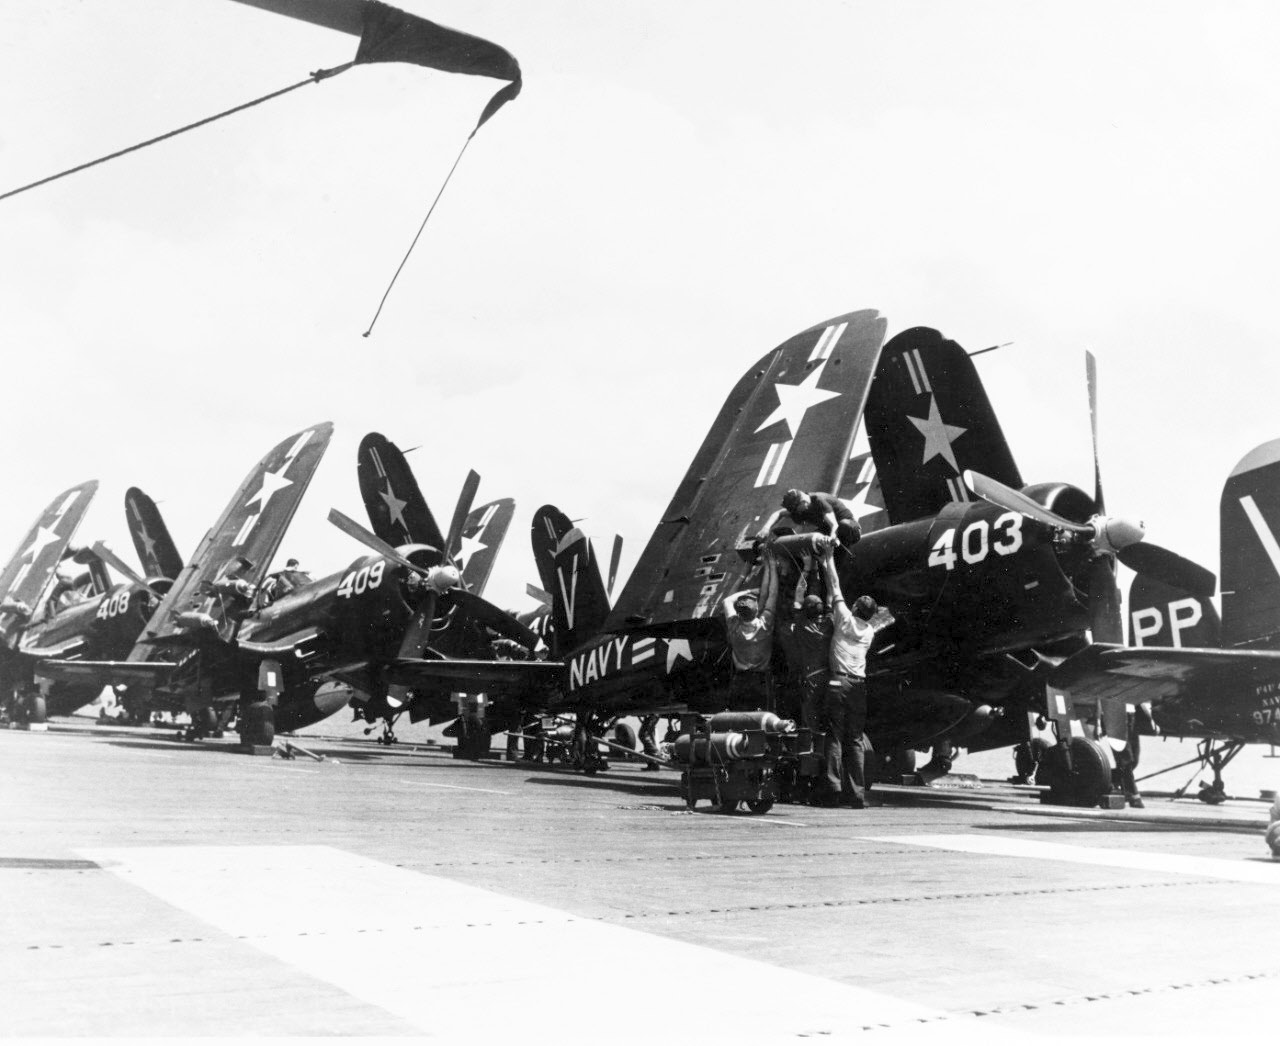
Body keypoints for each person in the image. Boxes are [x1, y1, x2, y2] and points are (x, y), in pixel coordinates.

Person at [816, 538, 877, 808]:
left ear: (854, 609)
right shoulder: (870, 631)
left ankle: (831, 789)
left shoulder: (843, 618)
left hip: (838, 682)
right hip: (859, 687)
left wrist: (827, 557)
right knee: (854, 740)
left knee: (835, 736)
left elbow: (834, 585)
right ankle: (857, 794)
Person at [722, 546, 779, 710]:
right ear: (757, 611)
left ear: (739, 614)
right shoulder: (765, 625)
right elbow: (772, 593)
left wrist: (746, 586)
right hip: (761, 680)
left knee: (737, 718)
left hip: (740, 680)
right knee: (762, 721)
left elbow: (726, 601)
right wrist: (772, 566)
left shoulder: (734, 627)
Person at [792, 594, 833, 732]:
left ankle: (812, 748)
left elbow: (797, 601)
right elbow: (830, 605)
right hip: (829, 675)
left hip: (811, 677)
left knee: (810, 717)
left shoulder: (801, 625)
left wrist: (806, 571)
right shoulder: (830, 623)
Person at [781, 489, 861, 550]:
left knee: (844, 525)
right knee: (812, 540)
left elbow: (834, 525)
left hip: (849, 528)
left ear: (803, 502)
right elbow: (780, 514)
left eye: (795, 509)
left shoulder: (819, 500)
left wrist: (832, 538)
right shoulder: (804, 507)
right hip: (829, 529)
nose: (796, 512)